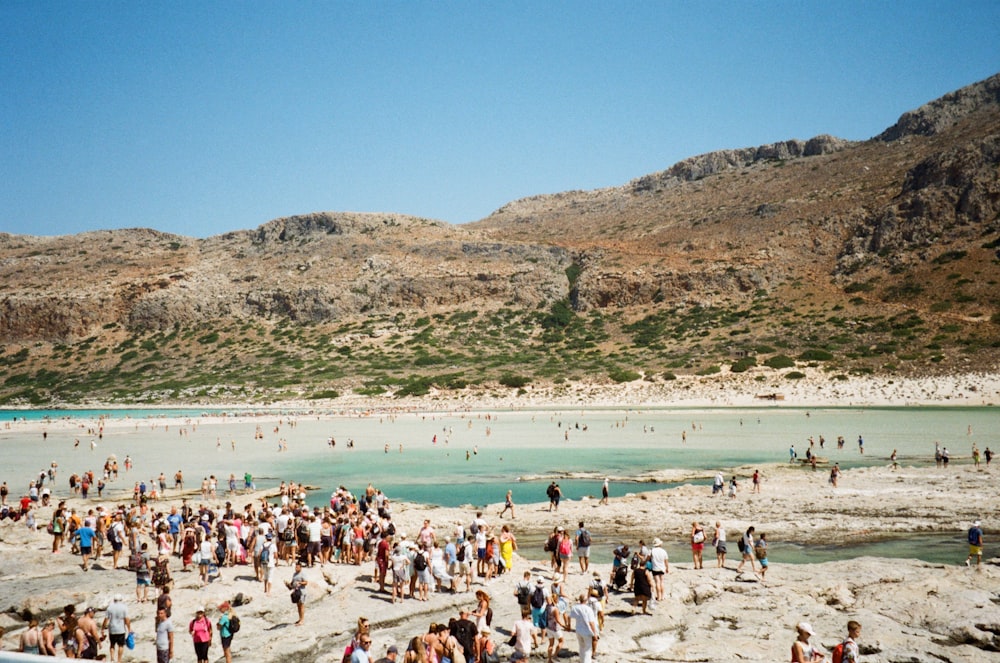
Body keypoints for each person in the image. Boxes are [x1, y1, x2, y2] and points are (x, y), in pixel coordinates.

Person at [567, 593, 599, 663]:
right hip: (587, 631)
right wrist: (595, 633)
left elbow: (569, 616)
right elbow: (591, 623)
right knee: (588, 649)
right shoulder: (588, 609)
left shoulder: (575, 607)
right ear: (586, 600)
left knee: (581, 647)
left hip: (578, 630)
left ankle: (582, 661)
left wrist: (568, 625)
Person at [102, 594, 131, 663]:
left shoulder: (110, 607)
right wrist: (129, 628)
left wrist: (103, 628)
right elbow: (127, 619)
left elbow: (106, 619)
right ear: (121, 600)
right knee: (121, 645)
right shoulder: (124, 607)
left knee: (112, 644)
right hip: (121, 629)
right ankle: (119, 660)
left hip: (112, 629)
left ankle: (112, 659)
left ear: (114, 600)